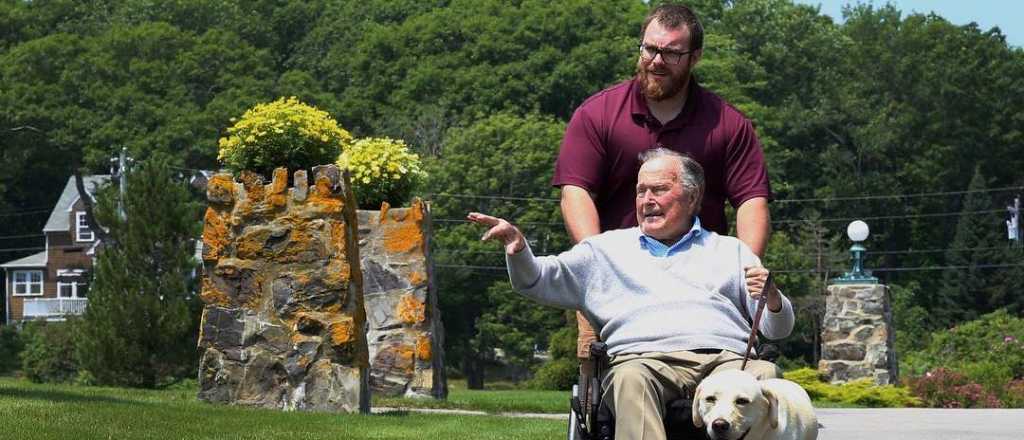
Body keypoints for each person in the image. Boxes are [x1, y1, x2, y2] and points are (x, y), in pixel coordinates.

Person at [470, 149, 793, 440]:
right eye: (641, 191)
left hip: (725, 360)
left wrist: (773, 299)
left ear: (693, 196)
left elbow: (776, 329)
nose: (646, 200)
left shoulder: (731, 250)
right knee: (629, 378)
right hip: (644, 361)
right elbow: (538, 280)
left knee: (765, 375)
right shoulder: (604, 251)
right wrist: (519, 249)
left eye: (659, 190)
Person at [553, 3, 773, 358]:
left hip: (704, 290)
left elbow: (752, 202)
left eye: (671, 53)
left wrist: (743, 275)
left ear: (695, 57)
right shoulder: (597, 115)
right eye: (650, 49)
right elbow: (575, 192)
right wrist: (599, 264)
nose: (657, 61)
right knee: (611, 382)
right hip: (616, 285)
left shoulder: (729, 125)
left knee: (720, 381)